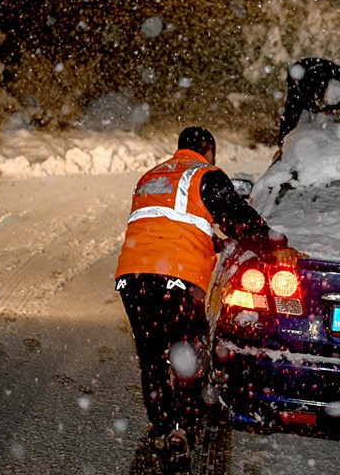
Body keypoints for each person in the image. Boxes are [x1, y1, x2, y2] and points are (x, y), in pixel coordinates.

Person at [115, 126, 300, 463]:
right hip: (176, 277)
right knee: (188, 355)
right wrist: (273, 244)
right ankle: (182, 429)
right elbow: (237, 218)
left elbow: (166, 226)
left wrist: (215, 244)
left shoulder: (152, 176)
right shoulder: (206, 174)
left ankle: (160, 424)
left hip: (132, 277)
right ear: (208, 150)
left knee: (152, 354)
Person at [277, 57, 340, 146]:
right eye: (323, 105)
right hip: (301, 74)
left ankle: (326, 143)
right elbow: (290, 113)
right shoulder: (302, 87)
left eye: (329, 108)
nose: (325, 110)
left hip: (327, 72)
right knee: (302, 122)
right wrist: (282, 140)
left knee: (327, 126)